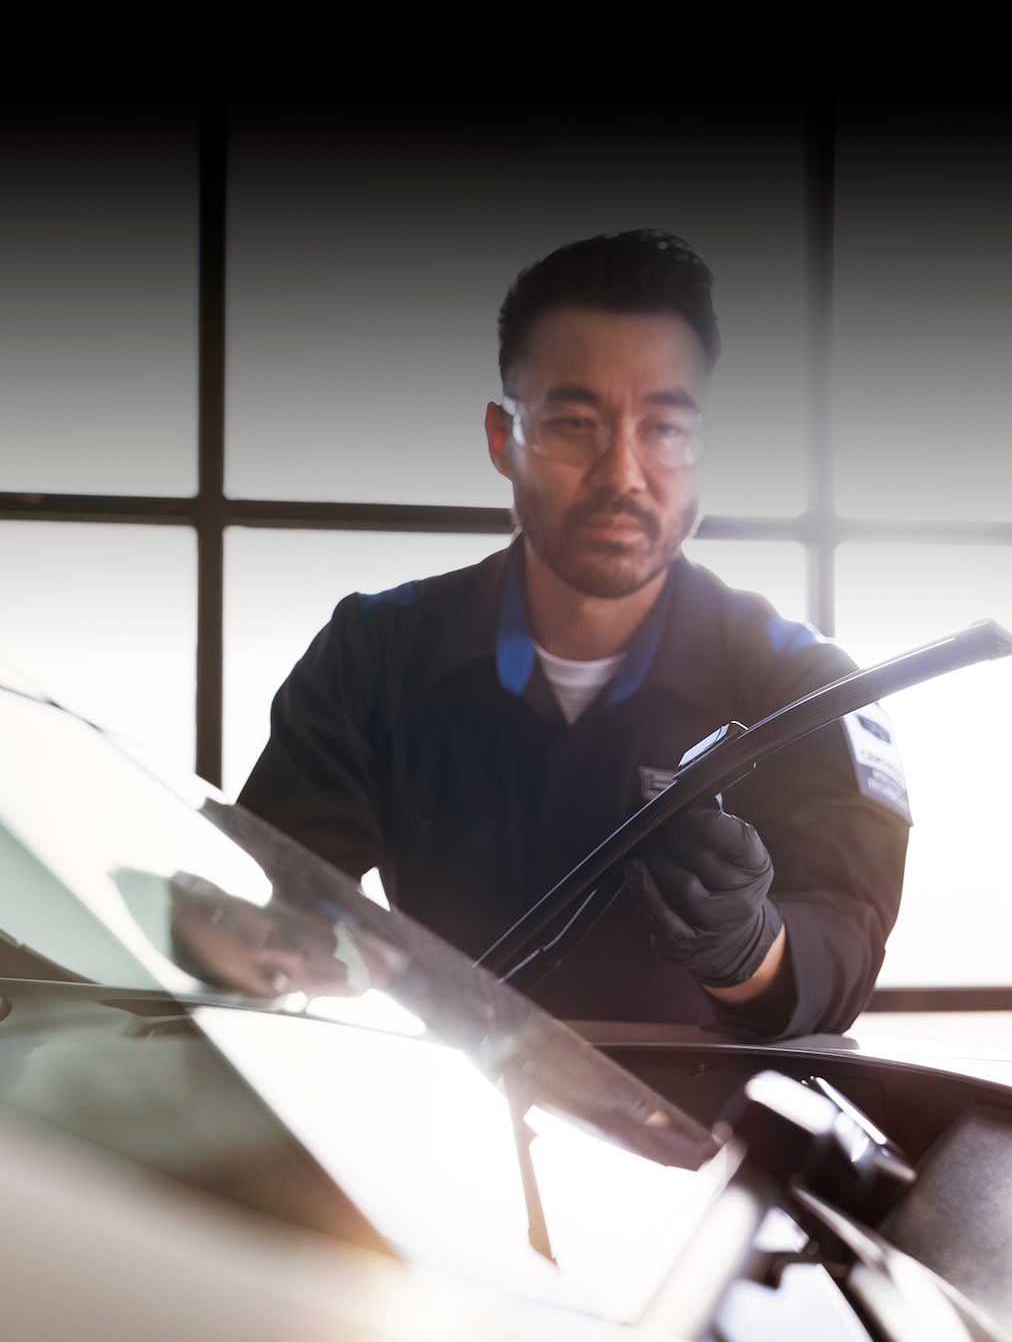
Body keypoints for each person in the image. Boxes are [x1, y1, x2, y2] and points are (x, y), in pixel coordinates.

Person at [238, 230, 910, 1037]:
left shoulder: (805, 686)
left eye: (664, 429)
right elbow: (272, 906)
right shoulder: (370, 656)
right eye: (574, 422)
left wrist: (747, 945)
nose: (622, 473)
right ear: (501, 439)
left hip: (716, 1143)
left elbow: (845, 939)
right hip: (438, 1127)